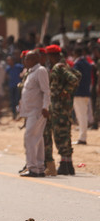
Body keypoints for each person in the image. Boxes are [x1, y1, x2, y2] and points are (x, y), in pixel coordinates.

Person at [45, 44, 81, 176]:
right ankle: (68, 165)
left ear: (52, 55)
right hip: (63, 107)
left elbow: (74, 78)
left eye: (49, 55)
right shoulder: (64, 65)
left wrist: (66, 91)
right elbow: (77, 74)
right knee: (65, 134)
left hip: (59, 107)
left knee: (60, 135)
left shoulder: (58, 67)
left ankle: (65, 164)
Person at [17, 50, 51, 177]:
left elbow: (46, 91)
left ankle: (33, 168)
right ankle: (39, 167)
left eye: (27, 59)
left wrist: (45, 107)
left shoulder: (40, 71)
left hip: (38, 111)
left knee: (30, 138)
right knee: (37, 139)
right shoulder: (31, 72)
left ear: (34, 59)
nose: (25, 61)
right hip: (30, 111)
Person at [72, 46, 93, 145]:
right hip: (86, 92)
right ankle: (82, 136)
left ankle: (82, 138)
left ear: (75, 53)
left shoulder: (77, 64)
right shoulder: (87, 63)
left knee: (81, 116)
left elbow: (74, 78)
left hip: (78, 92)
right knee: (83, 115)